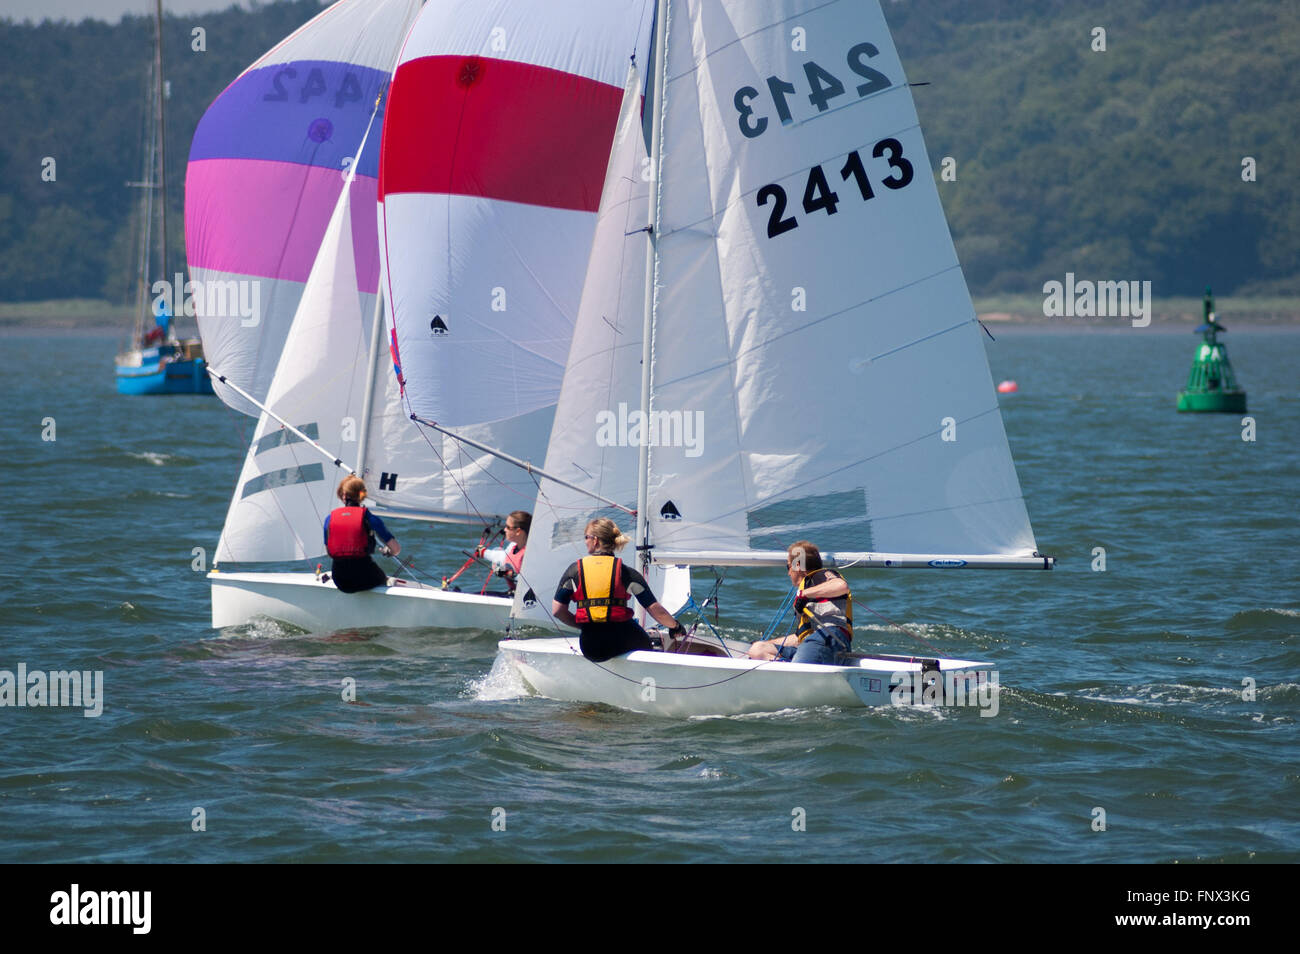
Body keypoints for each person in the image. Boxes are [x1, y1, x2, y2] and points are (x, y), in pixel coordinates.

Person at [552, 517, 686, 662]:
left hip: (590, 647)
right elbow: (656, 610)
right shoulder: (626, 573)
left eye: (586, 537)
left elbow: (558, 611)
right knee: (646, 643)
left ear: (595, 540)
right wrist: (676, 626)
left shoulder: (574, 571)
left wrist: (583, 626)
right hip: (620, 641)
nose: (585, 541)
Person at [747, 540, 853, 665]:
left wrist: (804, 594)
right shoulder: (808, 587)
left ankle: (793, 671)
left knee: (802, 657)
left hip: (829, 637)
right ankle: (787, 668)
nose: (788, 573)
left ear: (798, 565)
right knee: (757, 650)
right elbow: (799, 637)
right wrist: (767, 643)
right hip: (810, 643)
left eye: (788, 567)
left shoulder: (820, 575)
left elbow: (841, 586)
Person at [323, 476, 400, 593]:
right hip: (366, 578)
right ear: (361, 495)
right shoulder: (370, 518)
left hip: (340, 580)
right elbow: (396, 549)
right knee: (383, 578)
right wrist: (388, 552)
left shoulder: (330, 519)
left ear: (343, 495)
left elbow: (329, 552)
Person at [493, 510, 530, 593]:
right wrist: (501, 570)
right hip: (512, 593)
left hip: (524, 599)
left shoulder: (528, 554)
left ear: (518, 531)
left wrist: (511, 574)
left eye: (508, 527)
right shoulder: (513, 548)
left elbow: (531, 581)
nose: (504, 530)